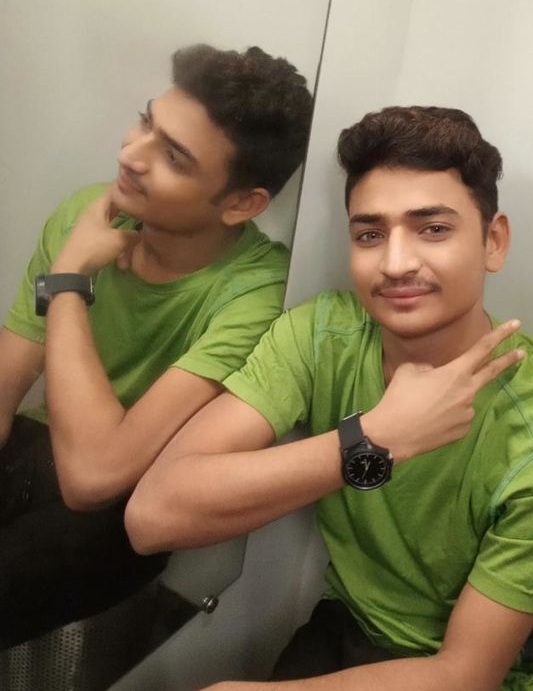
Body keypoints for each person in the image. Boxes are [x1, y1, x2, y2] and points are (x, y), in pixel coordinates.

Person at [125, 106, 533, 690]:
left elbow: (466, 673)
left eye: (434, 229)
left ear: (493, 240)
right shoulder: (323, 336)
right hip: (347, 620)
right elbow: (151, 517)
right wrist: (374, 441)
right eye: (370, 234)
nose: (396, 263)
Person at [0, 43, 313, 647]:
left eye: (172, 156)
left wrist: (68, 282)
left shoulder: (256, 292)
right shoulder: (88, 215)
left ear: (241, 204)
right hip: (38, 453)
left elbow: (95, 478)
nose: (130, 154)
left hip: (121, 509)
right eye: (147, 121)